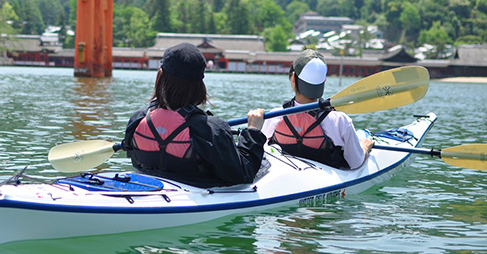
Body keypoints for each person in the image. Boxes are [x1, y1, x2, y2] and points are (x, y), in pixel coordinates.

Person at [122, 42, 266, 188]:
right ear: (199, 85)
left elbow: (135, 160)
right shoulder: (210, 129)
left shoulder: (138, 118)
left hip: (150, 184)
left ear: (160, 77)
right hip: (196, 190)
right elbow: (243, 175)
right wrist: (253, 132)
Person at [261, 48, 374, 169]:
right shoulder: (340, 121)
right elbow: (356, 163)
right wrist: (365, 148)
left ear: (293, 78)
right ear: (324, 81)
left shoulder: (274, 116)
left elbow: (262, 152)